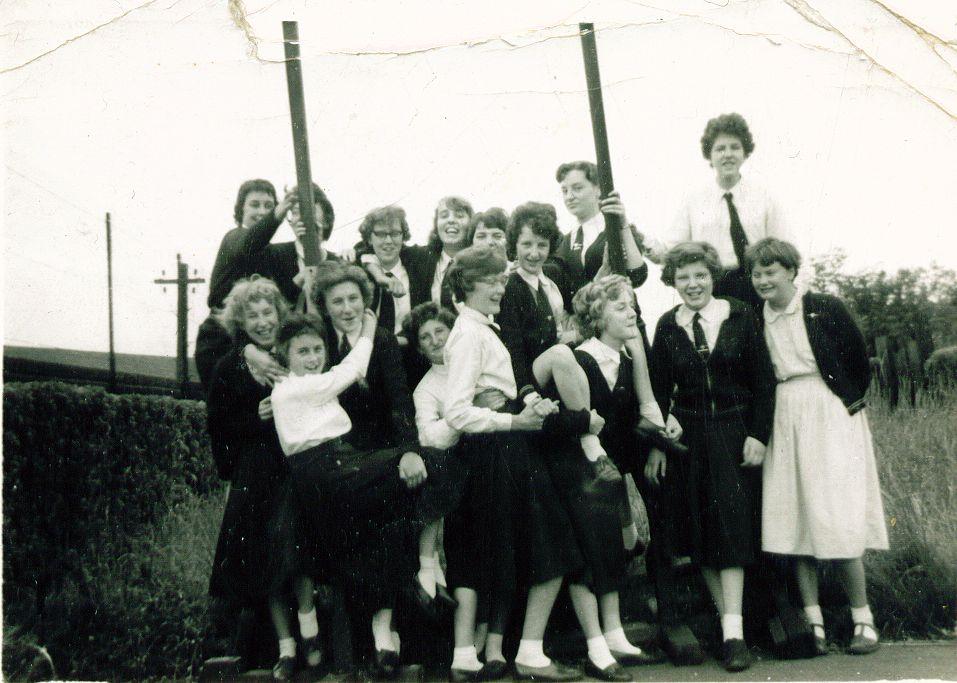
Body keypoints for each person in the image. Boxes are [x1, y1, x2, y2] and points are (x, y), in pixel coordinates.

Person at [442, 246, 584, 682]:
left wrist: (524, 403)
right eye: (491, 281)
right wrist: (513, 419)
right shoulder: (469, 333)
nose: (500, 288)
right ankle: (527, 653)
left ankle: (525, 651)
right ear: (467, 286)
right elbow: (456, 412)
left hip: (505, 448)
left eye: (502, 280)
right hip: (495, 452)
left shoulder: (483, 328)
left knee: (542, 548)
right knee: (550, 544)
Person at [746, 237, 888, 656]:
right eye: (756, 273)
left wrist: (845, 402)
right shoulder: (756, 317)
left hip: (828, 414)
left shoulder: (825, 306)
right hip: (783, 415)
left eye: (771, 271)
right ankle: (814, 624)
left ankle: (864, 620)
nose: (762, 280)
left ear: (791, 271)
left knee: (835, 513)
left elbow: (858, 363)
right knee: (795, 516)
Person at [649, 242, 776, 672]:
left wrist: (759, 434)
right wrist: (664, 429)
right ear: (673, 281)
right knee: (702, 531)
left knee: (733, 529)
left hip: (734, 431)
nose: (692, 284)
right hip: (690, 438)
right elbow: (658, 387)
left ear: (713, 276)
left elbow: (763, 380)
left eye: (699, 274)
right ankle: (729, 628)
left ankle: (736, 634)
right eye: (683, 277)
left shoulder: (739, 314)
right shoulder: (668, 325)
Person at [205, 277, 321, 681]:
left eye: (267, 312)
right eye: (251, 315)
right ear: (241, 322)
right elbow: (217, 423)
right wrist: (253, 419)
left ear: (279, 313)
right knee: (265, 556)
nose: (261, 321)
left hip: (297, 464)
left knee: (302, 546)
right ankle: (282, 646)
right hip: (258, 471)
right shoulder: (231, 364)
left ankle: (310, 632)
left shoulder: (296, 353)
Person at [650, 113, 792, 309]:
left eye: (735, 147)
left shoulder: (764, 197)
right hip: (715, 290)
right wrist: (643, 244)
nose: (728, 154)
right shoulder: (694, 200)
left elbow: (785, 249)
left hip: (759, 286)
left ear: (745, 152)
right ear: (710, 155)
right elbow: (670, 249)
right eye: (720, 149)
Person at [196, 179, 277, 390]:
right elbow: (251, 242)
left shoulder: (271, 253)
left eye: (269, 206)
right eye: (255, 204)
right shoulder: (235, 237)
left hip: (251, 337)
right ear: (241, 210)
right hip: (219, 339)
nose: (262, 211)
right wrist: (281, 210)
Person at [553, 160, 648, 309]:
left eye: (577, 188)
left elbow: (637, 276)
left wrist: (622, 223)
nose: (569, 197)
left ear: (598, 189)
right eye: (565, 191)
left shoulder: (616, 230)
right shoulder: (563, 241)